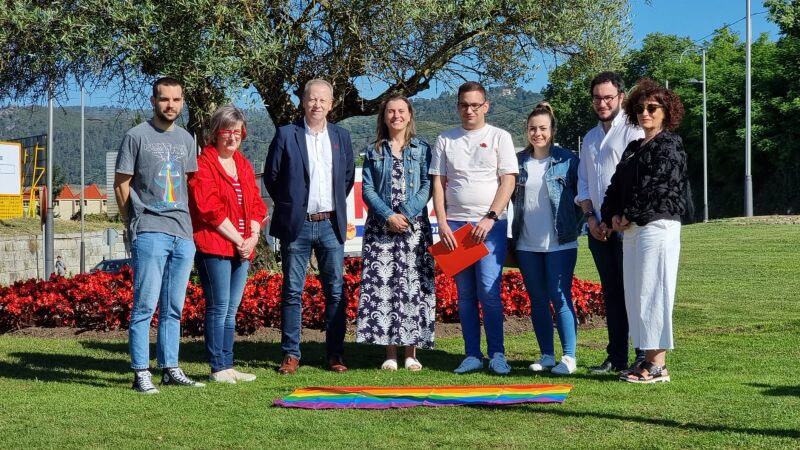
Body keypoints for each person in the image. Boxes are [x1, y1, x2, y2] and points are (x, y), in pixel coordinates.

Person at [114, 77, 204, 394]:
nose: (171, 105)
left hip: (182, 233)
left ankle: (170, 368)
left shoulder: (186, 139)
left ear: (182, 102)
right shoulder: (136, 136)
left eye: (176, 100)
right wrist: (132, 221)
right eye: (165, 99)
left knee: (173, 308)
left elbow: (188, 185)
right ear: (154, 101)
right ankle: (141, 372)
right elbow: (121, 184)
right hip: (149, 230)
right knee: (144, 306)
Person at [264, 79, 355, 375]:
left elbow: (347, 177)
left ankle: (335, 355)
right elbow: (272, 177)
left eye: (322, 100)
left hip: (330, 224)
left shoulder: (341, 136)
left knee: (335, 291)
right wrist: (291, 205)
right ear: (303, 102)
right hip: (297, 225)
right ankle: (291, 354)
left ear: (331, 104)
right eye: (312, 99)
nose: (317, 104)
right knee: (292, 291)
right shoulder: (286, 134)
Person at [600, 78, 687, 383]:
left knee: (654, 291)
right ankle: (645, 361)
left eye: (652, 108)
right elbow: (614, 187)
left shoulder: (669, 144)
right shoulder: (634, 147)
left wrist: (629, 214)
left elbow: (660, 187)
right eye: (639, 108)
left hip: (657, 225)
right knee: (636, 294)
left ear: (666, 112)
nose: (645, 113)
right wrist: (613, 215)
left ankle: (657, 365)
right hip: (632, 228)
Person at [430, 81, 518, 375]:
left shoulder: (500, 137)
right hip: (455, 226)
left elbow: (508, 181)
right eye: (464, 105)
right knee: (465, 295)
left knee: (489, 293)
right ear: (457, 107)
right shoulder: (445, 139)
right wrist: (442, 222)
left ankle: (497, 354)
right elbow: (439, 184)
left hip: (490, 226)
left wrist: (490, 217)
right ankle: (472, 355)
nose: (469, 110)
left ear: (486, 106)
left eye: (475, 105)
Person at [188, 105, 267, 384]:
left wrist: (253, 237)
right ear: (215, 133)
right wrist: (240, 240)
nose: (232, 137)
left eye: (237, 132)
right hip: (215, 247)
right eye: (226, 131)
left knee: (231, 309)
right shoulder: (204, 164)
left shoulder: (243, 164)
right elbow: (208, 209)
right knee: (218, 307)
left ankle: (228, 364)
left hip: (242, 247)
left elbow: (256, 203)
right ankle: (217, 367)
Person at [356, 95, 435, 372]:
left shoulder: (423, 149)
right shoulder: (373, 151)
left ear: (409, 115)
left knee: (413, 287)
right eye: (391, 111)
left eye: (401, 111)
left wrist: (406, 213)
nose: (396, 116)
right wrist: (388, 216)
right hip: (381, 229)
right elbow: (367, 188)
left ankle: (411, 353)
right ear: (384, 116)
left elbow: (427, 185)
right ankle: (389, 353)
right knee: (385, 289)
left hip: (414, 229)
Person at [577, 72, 647, 375]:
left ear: (621, 97)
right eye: (597, 98)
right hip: (598, 229)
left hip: (626, 226)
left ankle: (643, 355)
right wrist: (591, 218)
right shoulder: (590, 138)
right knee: (612, 294)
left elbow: (637, 181)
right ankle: (616, 356)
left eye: (608, 97)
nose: (602, 103)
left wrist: (619, 217)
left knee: (635, 292)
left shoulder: (634, 131)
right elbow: (583, 183)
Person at [510, 102, 580, 375]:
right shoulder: (518, 162)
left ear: (552, 131)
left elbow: (581, 197)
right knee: (537, 300)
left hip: (560, 243)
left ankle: (569, 357)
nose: (537, 134)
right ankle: (547, 355)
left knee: (560, 297)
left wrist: (572, 225)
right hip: (527, 244)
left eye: (542, 129)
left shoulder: (566, 160)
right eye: (532, 129)